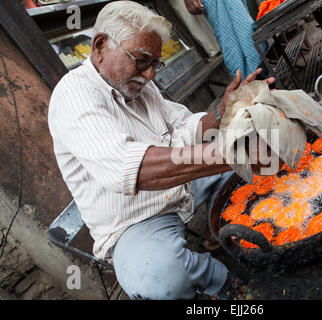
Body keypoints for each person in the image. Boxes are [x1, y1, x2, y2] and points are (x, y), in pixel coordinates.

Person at [48, 1, 275, 300]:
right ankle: (224, 283)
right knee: (162, 276)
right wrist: (230, 155)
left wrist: (221, 113)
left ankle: (215, 233)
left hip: (181, 189)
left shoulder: (138, 84)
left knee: (256, 173)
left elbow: (184, 128)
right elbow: (130, 168)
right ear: (101, 46)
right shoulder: (73, 97)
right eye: (142, 61)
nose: (151, 74)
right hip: (135, 220)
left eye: (156, 63)